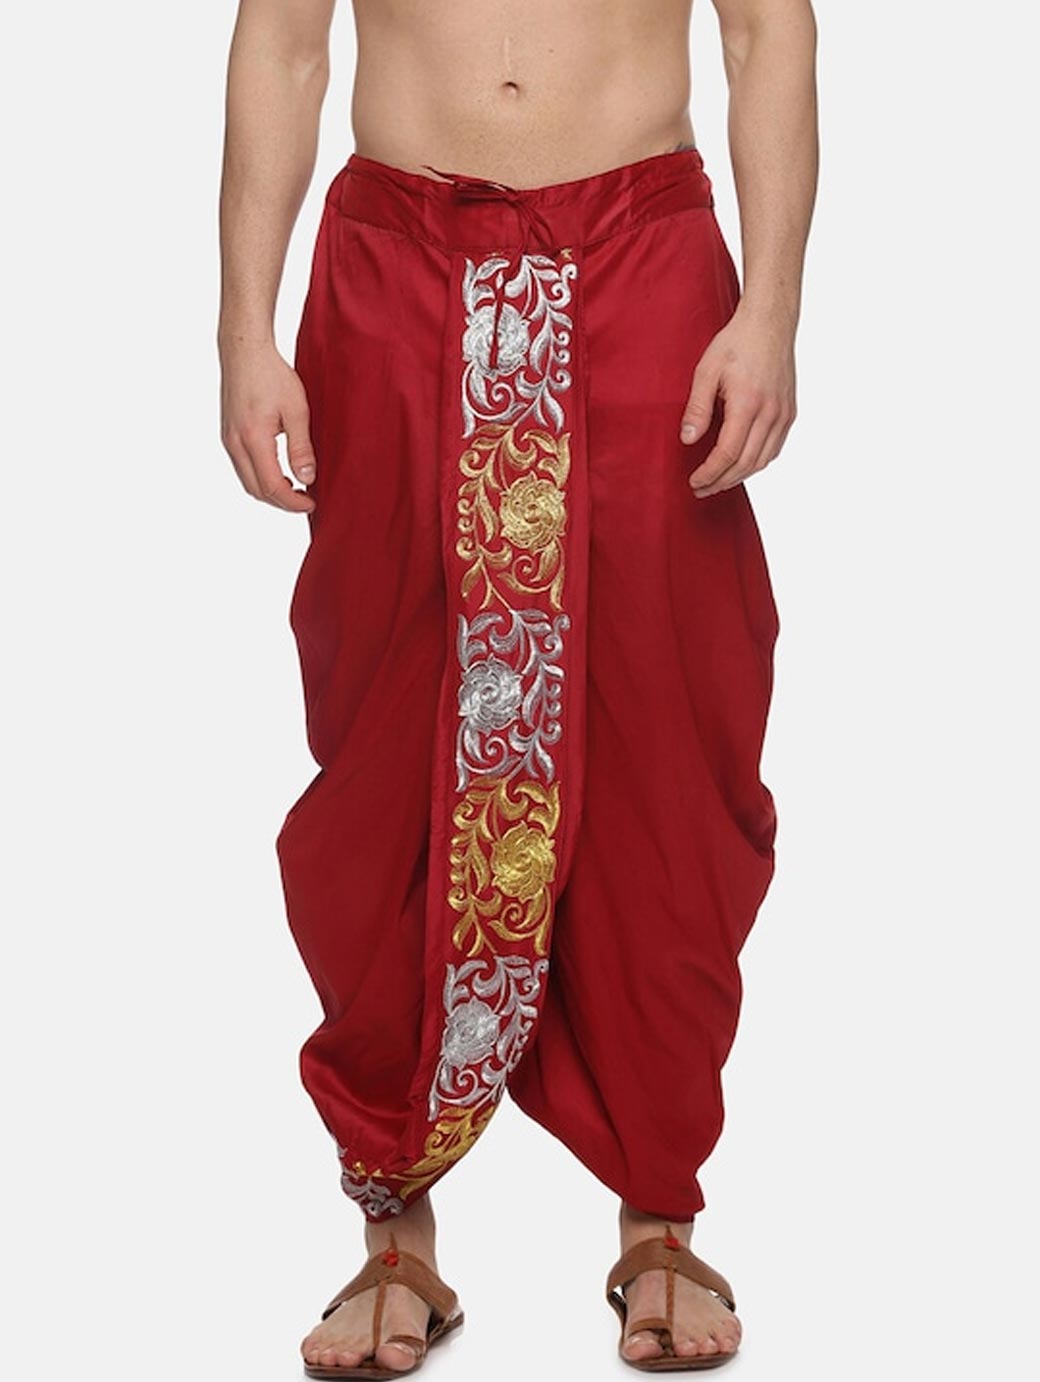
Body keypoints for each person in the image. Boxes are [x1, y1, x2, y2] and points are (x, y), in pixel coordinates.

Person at [217, 0, 818, 1374]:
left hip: (643, 258)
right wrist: (244, 329)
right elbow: (284, 42)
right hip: (395, 267)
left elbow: (767, 31)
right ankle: (394, 1225)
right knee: (383, 731)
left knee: (669, 723)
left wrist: (772, 306)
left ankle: (659, 1215)